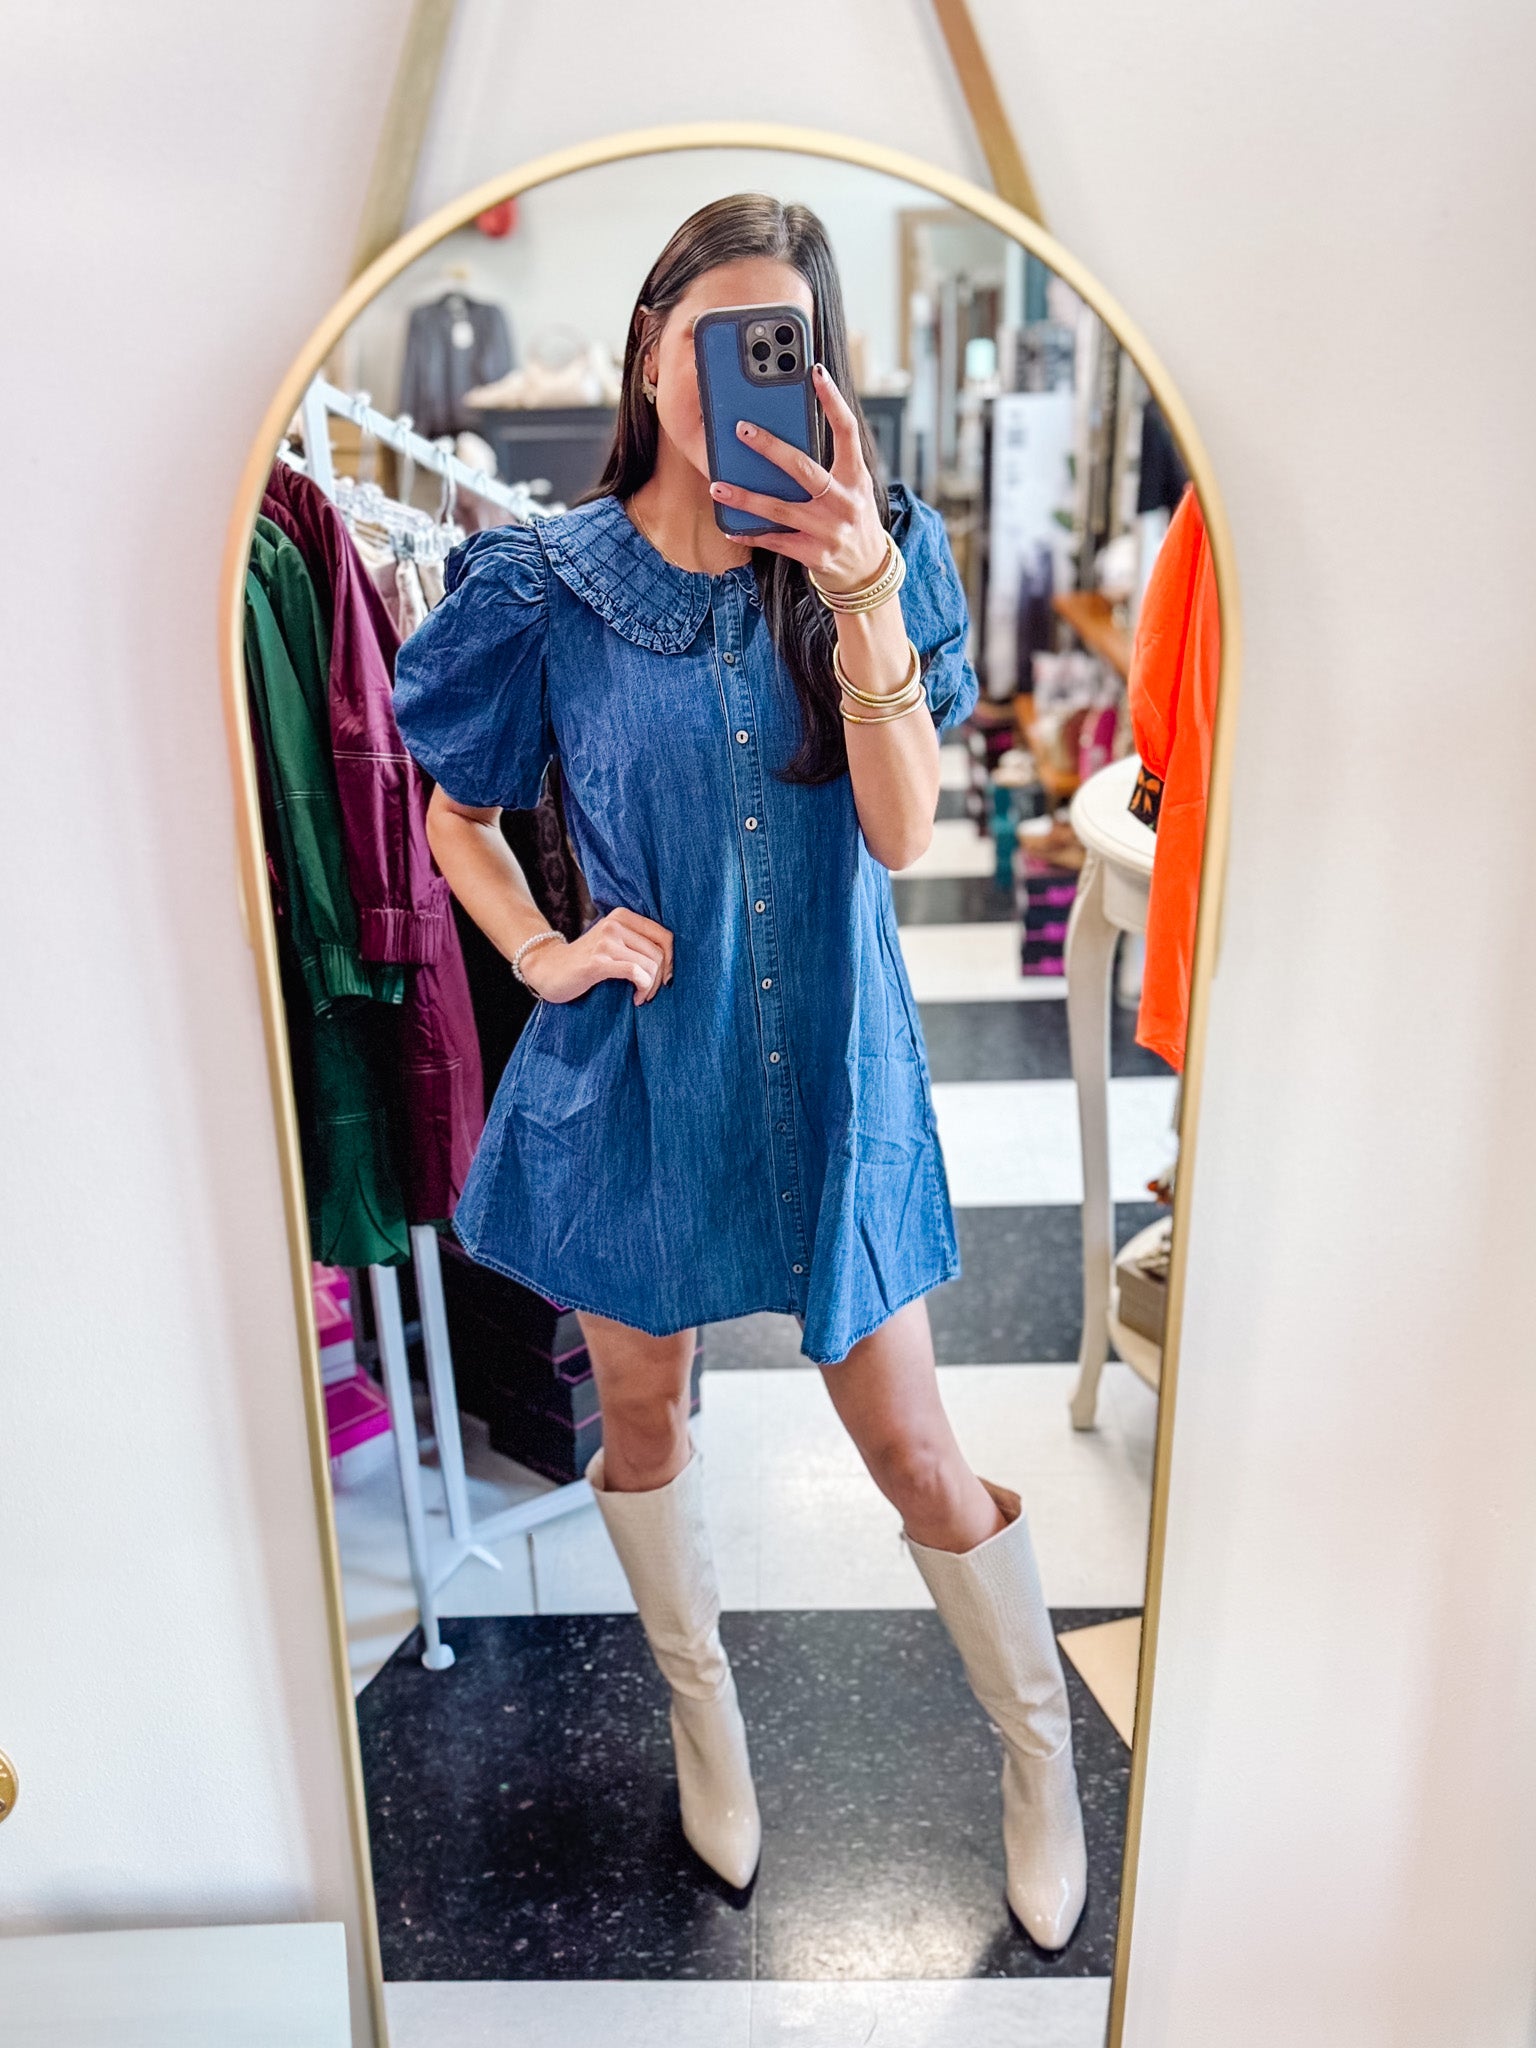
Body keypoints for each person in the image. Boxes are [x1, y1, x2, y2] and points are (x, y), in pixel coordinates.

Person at [393, 194, 1086, 1949]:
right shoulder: (541, 587)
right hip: (639, 1076)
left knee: (913, 1445)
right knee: (644, 1417)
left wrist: (859, 593)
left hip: (835, 1064)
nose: (741, 378)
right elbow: (458, 816)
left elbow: (905, 831)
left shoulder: (877, 549)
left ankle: (1037, 1755)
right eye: (714, 338)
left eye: (782, 342)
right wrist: (543, 951)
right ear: (651, 353)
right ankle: (705, 1721)